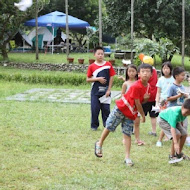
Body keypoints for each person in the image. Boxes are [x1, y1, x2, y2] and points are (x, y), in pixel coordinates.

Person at [94, 63, 152, 166]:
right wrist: (143, 115)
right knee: (109, 126)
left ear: (151, 74)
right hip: (121, 108)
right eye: (143, 71)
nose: (146, 74)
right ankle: (99, 143)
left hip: (130, 113)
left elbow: (140, 101)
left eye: (148, 72)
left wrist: (146, 99)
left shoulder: (148, 87)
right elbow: (137, 102)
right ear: (139, 74)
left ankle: (127, 157)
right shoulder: (136, 86)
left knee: (127, 134)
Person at [86, 46, 116, 131]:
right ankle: (94, 126)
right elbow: (88, 79)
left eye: (102, 54)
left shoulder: (108, 65)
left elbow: (112, 76)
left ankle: (107, 125)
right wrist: (97, 79)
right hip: (95, 92)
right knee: (95, 109)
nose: (100, 55)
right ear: (94, 55)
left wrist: (109, 89)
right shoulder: (92, 66)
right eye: (98, 54)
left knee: (106, 109)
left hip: (106, 91)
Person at [157, 98, 190, 164]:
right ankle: (172, 155)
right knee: (177, 134)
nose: (186, 114)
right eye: (186, 112)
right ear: (182, 106)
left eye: (188, 114)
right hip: (163, 120)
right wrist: (175, 143)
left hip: (174, 121)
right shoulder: (175, 113)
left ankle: (178, 153)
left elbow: (181, 120)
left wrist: (182, 130)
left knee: (184, 134)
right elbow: (173, 129)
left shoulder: (185, 112)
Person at [121, 64, 144, 146]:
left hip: (136, 106)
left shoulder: (139, 83)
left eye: (133, 71)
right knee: (126, 123)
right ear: (127, 73)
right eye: (129, 71)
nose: (131, 73)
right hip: (128, 107)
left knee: (137, 123)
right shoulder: (125, 84)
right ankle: (125, 138)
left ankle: (137, 139)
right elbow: (122, 95)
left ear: (137, 73)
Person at [155, 62, 174, 147]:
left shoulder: (174, 79)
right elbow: (158, 92)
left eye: (167, 68)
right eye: (164, 68)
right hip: (163, 101)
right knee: (164, 120)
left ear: (170, 69)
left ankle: (167, 137)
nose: (166, 70)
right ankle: (160, 140)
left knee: (171, 121)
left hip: (172, 101)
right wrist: (157, 102)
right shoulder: (160, 79)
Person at [139, 54, 158, 136]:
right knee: (153, 115)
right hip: (154, 96)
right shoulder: (155, 71)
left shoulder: (145, 72)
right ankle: (154, 131)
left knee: (138, 113)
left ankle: (133, 129)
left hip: (146, 96)